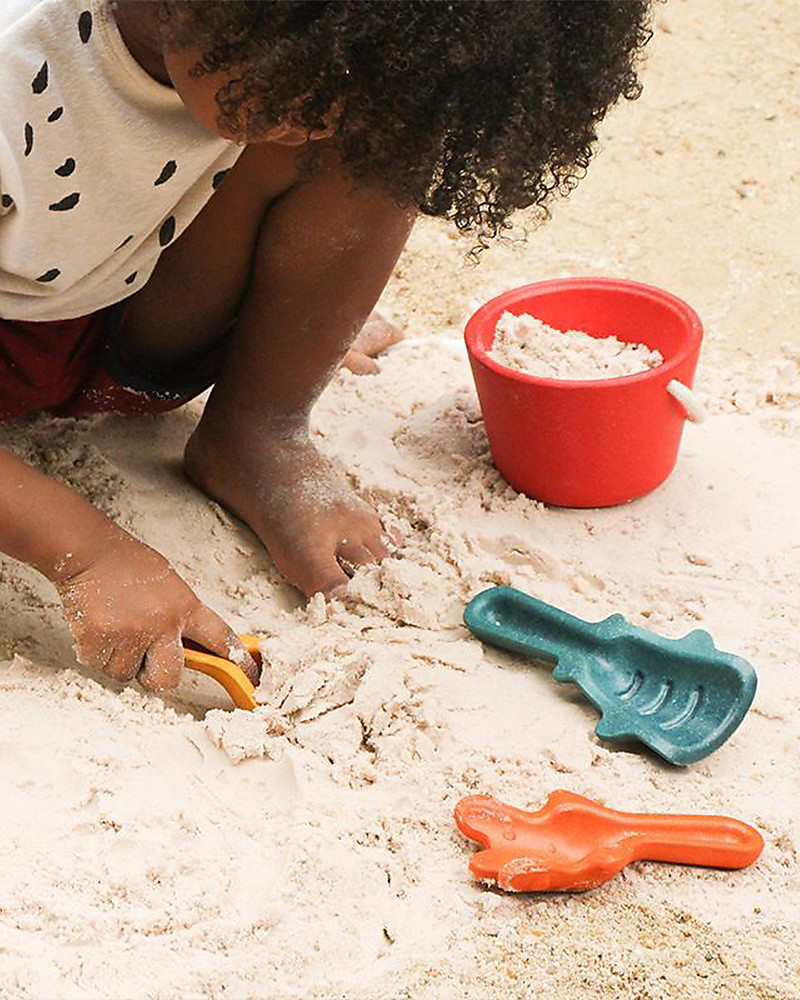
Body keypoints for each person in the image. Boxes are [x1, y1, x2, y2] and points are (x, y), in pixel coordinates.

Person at [0, 0, 652, 692]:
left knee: (377, 144)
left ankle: (258, 429)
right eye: (316, 87)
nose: (325, 120)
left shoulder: (270, 57)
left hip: (117, 301)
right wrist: (89, 555)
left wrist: (291, 314)